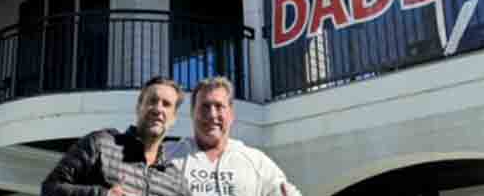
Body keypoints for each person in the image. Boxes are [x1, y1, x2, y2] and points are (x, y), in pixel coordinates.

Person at [42, 76, 188, 196]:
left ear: (174, 117)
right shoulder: (100, 144)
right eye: (152, 101)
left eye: (166, 104)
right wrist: (104, 195)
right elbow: (50, 189)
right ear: (138, 107)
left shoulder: (176, 181)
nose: (158, 109)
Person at [167, 77, 302, 196]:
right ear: (192, 113)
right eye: (205, 107)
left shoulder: (257, 162)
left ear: (231, 114)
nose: (212, 115)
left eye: (219, 106)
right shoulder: (167, 156)